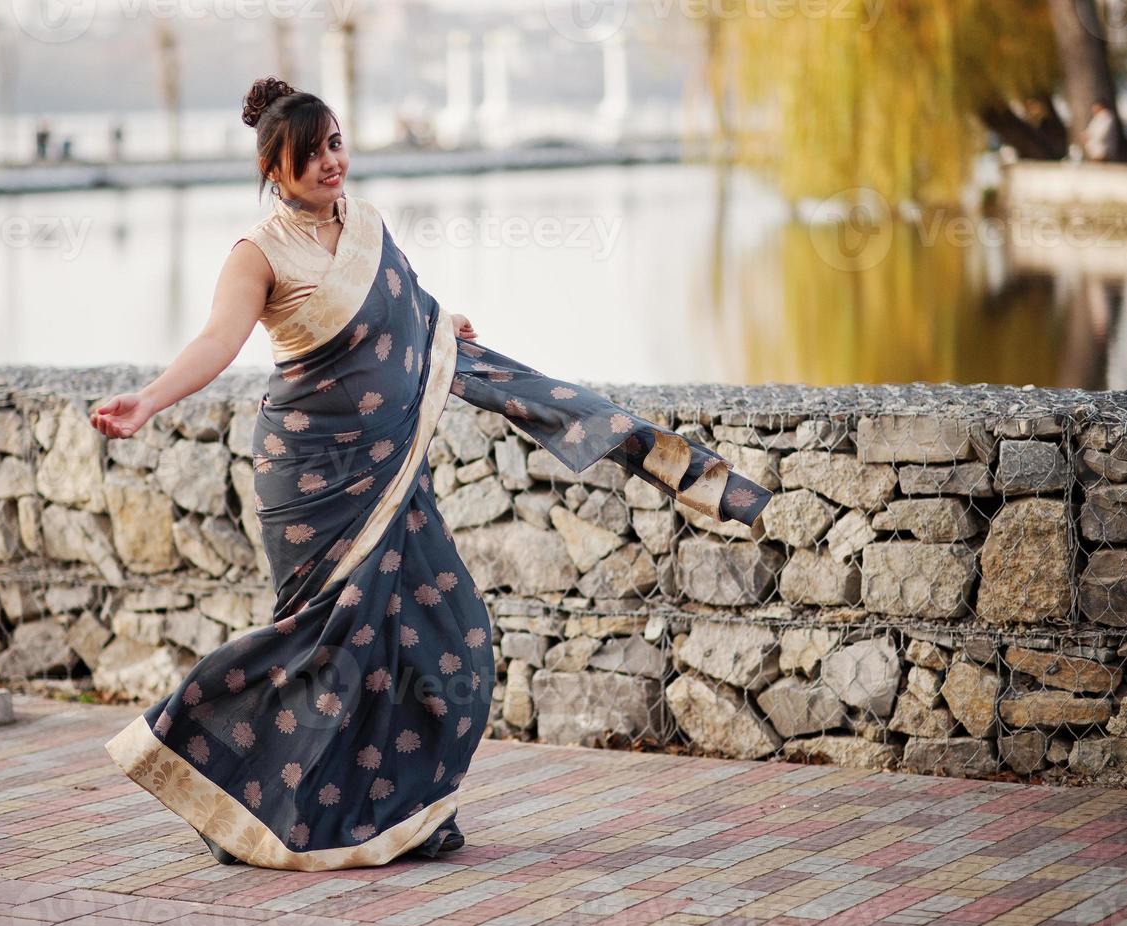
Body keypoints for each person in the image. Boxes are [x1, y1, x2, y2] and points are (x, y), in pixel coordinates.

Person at [91, 76, 773, 871]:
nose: (328, 163)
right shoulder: (257, 251)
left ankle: (401, 814)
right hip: (312, 477)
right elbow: (216, 342)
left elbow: (402, 309)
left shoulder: (368, 225)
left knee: (449, 637)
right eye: (306, 154)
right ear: (272, 169)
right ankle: (238, 791)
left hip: (391, 465)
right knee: (325, 649)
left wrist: (437, 322)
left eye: (335, 143)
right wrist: (149, 400)